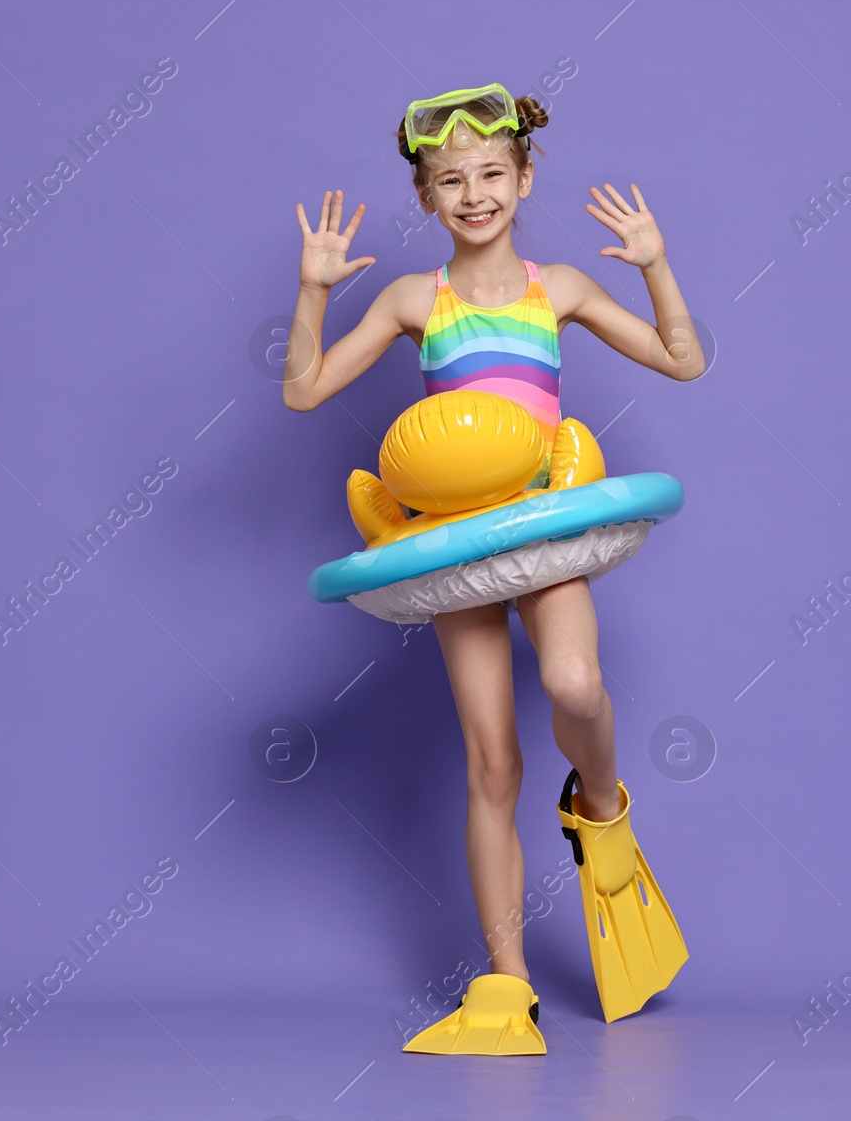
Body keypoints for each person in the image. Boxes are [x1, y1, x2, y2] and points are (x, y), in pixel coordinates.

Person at [282, 83, 703, 1054]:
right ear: (427, 199)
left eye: (488, 175)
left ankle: (598, 806)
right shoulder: (404, 300)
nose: (472, 194)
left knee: (572, 682)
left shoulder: (556, 288)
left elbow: (683, 360)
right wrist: (312, 289)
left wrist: (655, 265)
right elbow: (304, 390)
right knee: (492, 762)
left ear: (521, 178)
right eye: (449, 181)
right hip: (456, 546)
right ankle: (508, 987)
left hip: (546, 528)